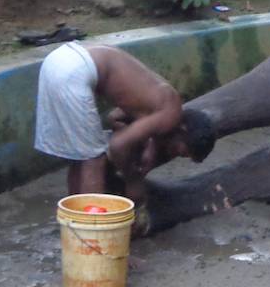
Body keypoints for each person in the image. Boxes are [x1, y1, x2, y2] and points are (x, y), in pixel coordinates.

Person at [33, 42, 215, 206]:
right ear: (183, 129)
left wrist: (147, 142)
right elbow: (117, 146)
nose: (172, 153)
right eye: (180, 151)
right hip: (75, 70)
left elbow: (115, 117)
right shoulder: (171, 113)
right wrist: (133, 181)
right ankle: (93, 234)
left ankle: (76, 221)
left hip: (58, 60)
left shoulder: (161, 101)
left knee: (79, 158)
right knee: (94, 160)